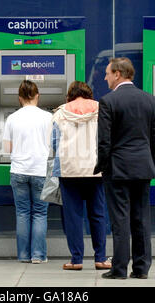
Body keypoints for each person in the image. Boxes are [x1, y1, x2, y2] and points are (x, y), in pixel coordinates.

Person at [94, 57, 155, 279]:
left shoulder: (108, 101)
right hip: (143, 167)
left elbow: (104, 141)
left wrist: (103, 167)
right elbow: (154, 137)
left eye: (107, 73)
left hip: (118, 169)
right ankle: (141, 269)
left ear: (117, 74)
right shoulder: (149, 100)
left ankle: (119, 269)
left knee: (120, 219)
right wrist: (150, 162)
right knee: (142, 218)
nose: (105, 78)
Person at [49, 81, 111, 271]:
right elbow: (107, 139)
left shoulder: (60, 113)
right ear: (88, 94)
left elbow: (53, 144)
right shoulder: (100, 110)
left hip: (68, 171)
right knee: (98, 214)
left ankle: (76, 260)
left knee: (73, 216)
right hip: (95, 169)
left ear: (70, 95)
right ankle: (100, 258)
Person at [3, 80, 52, 264]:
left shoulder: (12, 118)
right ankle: (38, 255)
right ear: (37, 96)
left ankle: (23, 255)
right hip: (40, 170)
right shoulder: (47, 117)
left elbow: (8, 148)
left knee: (22, 213)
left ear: (19, 98)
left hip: (19, 171)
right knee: (40, 213)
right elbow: (52, 145)